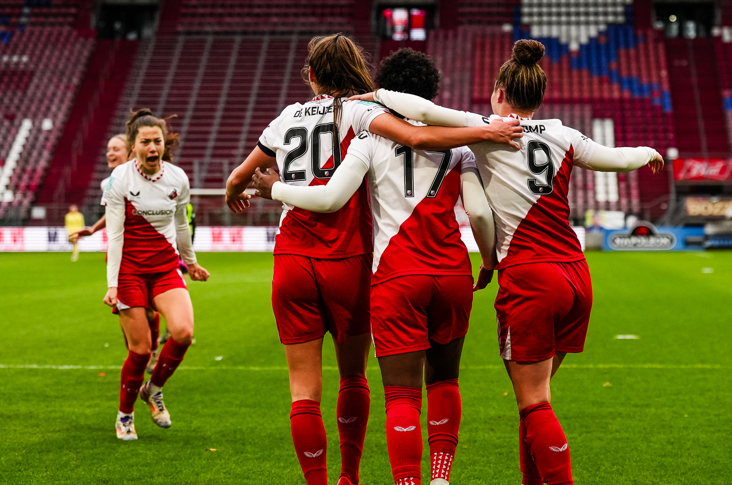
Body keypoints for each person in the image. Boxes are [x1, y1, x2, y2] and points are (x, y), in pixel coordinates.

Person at [350, 39, 664, 485]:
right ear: (540, 95)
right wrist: (647, 153)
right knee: (536, 399)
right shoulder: (564, 134)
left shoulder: (486, 127)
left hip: (531, 276)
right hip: (576, 275)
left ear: (500, 89)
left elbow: (425, 113)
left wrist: (376, 97)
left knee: (533, 402)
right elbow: (616, 159)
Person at [225, 34, 521, 485]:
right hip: (352, 258)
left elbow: (241, 175)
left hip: (293, 257)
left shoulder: (287, 116)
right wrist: (485, 130)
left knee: (303, 393)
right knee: (355, 376)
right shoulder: (363, 114)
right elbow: (417, 135)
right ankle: (350, 476)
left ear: (311, 75)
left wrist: (241, 191)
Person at [103, 109, 210, 440]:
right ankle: (125, 415)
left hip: (164, 268)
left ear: (165, 144)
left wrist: (190, 263)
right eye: (145, 142)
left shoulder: (178, 178)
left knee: (183, 332)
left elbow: (181, 224)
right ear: (134, 146)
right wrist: (111, 283)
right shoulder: (119, 180)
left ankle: (154, 389)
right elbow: (115, 234)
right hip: (129, 272)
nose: (152, 147)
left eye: (157, 141)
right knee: (140, 349)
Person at [70, 134, 164, 375]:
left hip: (147, 253)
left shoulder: (148, 179)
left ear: (130, 152)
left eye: (116, 149)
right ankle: (139, 357)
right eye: (108, 150)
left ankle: (151, 350)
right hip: (122, 257)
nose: (110, 154)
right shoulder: (108, 183)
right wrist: (93, 228)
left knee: (150, 309)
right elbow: (113, 213)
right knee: (129, 313)